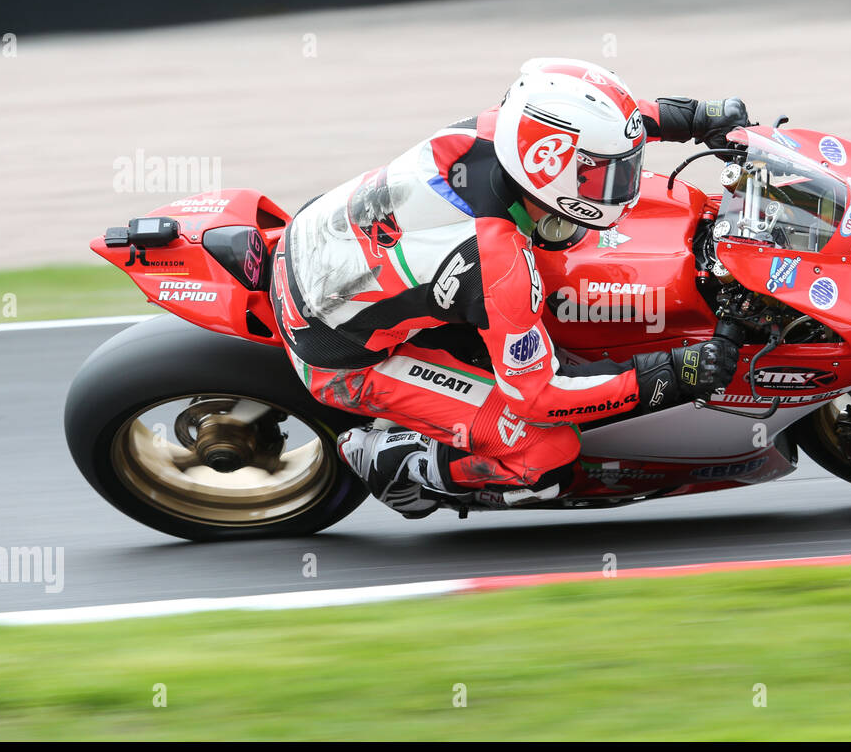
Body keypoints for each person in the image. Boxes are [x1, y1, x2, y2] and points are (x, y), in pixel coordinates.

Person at [270, 58, 746, 516]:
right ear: (549, 166)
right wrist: (668, 374)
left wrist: (698, 118)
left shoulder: (500, 128)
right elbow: (539, 397)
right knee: (547, 452)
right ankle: (399, 464)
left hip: (322, 244)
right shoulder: (498, 263)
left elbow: (603, 117)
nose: (623, 183)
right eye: (605, 173)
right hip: (340, 356)